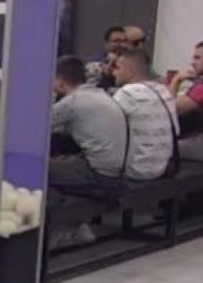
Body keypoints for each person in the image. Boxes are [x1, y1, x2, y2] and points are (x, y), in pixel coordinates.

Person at [49, 56, 127, 191]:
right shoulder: (99, 93)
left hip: (99, 175)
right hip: (115, 169)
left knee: (36, 168)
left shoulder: (71, 102)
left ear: (60, 81)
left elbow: (38, 127)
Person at [111, 48, 180, 181]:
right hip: (164, 168)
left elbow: (107, 132)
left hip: (135, 170)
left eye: (117, 68)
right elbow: (176, 131)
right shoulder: (163, 90)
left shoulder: (126, 93)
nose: (114, 73)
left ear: (130, 70)